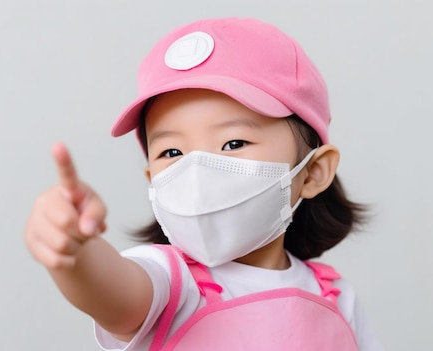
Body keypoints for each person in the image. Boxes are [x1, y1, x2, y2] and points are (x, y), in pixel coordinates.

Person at [25, 17, 383, 350]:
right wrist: (75, 253)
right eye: (172, 152)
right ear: (153, 180)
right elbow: (112, 295)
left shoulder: (336, 297)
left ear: (313, 171)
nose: (196, 171)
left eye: (234, 143)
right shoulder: (168, 281)